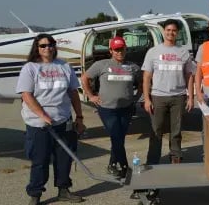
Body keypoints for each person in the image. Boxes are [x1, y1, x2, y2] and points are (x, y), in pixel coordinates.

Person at [16, 33, 85, 204]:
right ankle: (35, 194)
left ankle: (63, 190)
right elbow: (26, 95)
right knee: (40, 160)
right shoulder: (30, 68)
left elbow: (73, 93)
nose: (48, 48)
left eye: (51, 44)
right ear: (37, 48)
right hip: (39, 124)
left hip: (63, 120)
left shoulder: (64, 66)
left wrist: (79, 117)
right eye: (43, 46)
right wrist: (43, 116)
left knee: (64, 158)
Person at [81, 36, 142, 179]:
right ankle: (125, 168)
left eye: (122, 49)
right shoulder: (102, 65)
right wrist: (91, 96)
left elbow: (143, 82)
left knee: (119, 138)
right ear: (111, 51)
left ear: (126, 49)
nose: (119, 52)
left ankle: (112, 165)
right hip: (107, 109)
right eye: (116, 50)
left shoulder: (133, 67)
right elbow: (85, 78)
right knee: (116, 137)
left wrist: (136, 97)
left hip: (126, 108)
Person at [141, 19, 195, 165]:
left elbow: (189, 76)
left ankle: (175, 157)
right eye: (168, 30)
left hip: (178, 97)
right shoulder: (153, 52)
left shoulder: (183, 52)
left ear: (177, 33)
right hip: (158, 97)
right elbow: (146, 77)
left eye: (174, 30)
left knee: (176, 131)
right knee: (156, 131)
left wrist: (190, 97)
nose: (171, 33)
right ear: (163, 31)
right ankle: (153, 160)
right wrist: (147, 99)